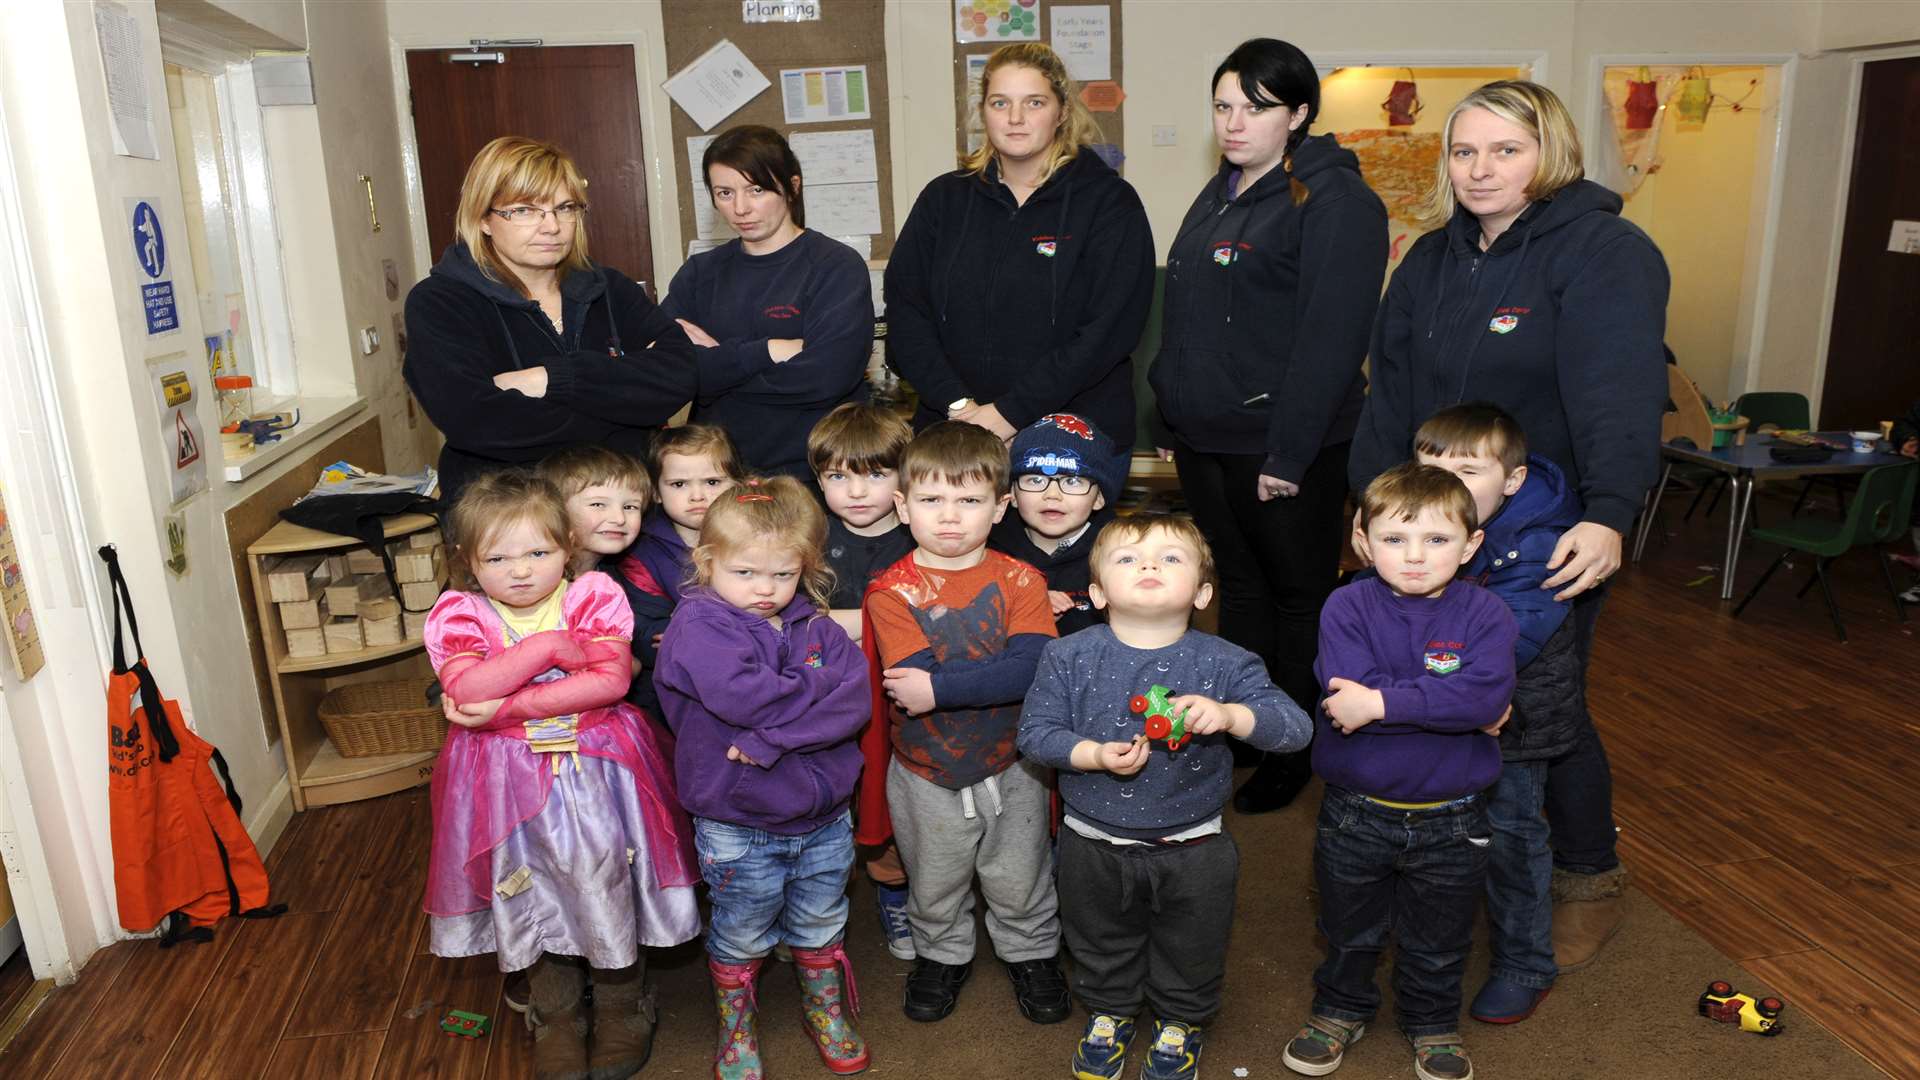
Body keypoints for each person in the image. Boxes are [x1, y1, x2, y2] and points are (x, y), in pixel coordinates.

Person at [1348, 80, 1669, 971]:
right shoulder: (1430, 260)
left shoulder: (1605, 250)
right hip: (1429, 526)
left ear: (1551, 153)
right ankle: (1462, 856)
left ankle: (1588, 878)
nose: (1480, 169)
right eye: (1464, 151)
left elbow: (1622, 396)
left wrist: (1608, 517)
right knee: (1431, 680)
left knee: (1540, 709)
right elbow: (1391, 394)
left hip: (1546, 530)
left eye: (1505, 150)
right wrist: (1371, 510)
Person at [1148, 38, 1388, 815]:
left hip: (1288, 447)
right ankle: (1250, 730)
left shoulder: (1336, 202)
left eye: (1255, 108)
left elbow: (1332, 336)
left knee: (1299, 595)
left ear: (1300, 114)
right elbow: (1185, 313)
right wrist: (1167, 404)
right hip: (1208, 437)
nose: (1234, 122)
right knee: (1242, 588)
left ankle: (1297, 746)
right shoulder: (1221, 191)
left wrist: (1289, 451)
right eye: (1223, 106)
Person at [422, 471, 698, 1080]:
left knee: (604, 875)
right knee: (527, 883)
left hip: (598, 770)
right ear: (467, 560)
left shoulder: (593, 594)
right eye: (498, 557)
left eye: (539, 553)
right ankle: (556, 1013)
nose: (520, 571)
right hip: (501, 783)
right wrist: (548, 649)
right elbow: (464, 687)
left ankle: (625, 1005)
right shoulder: (457, 612)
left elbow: (610, 682)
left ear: (568, 547)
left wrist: (503, 707)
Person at [1018, 514, 1312, 1080]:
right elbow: (1035, 734)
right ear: (1099, 592)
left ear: (1203, 592)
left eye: (1170, 558)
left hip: (1194, 844)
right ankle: (1110, 1011)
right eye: (1128, 558)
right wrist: (1092, 755)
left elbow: (1295, 728)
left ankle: (1181, 1019)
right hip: (1091, 839)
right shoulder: (1068, 655)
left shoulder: (1227, 662)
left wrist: (1231, 715)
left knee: (1194, 941)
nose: (1149, 565)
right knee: (1097, 937)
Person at [1280, 464, 1515, 1080]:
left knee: (1441, 935)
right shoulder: (1345, 604)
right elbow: (1348, 690)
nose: (1415, 557)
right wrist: (1448, 705)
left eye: (1436, 540)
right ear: (1363, 540)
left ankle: (1433, 1020)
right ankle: (1339, 1008)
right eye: (1395, 539)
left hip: (1455, 815)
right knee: (1347, 925)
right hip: (1356, 809)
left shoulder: (1488, 615)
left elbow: (1484, 701)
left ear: (1471, 545)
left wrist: (1382, 704)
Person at [404, 135, 784, 505]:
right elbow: (476, 421)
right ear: (483, 219)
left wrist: (552, 379)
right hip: (510, 519)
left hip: (623, 511)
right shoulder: (440, 303)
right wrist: (624, 411)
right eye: (524, 210)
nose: (551, 226)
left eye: (565, 208)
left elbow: (679, 375)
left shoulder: (609, 289)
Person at [653, 475, 873, 1080]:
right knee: (744, 929)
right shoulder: (698, 626)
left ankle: (822, 1010)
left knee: (821, 920)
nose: (765, 590)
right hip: (737, 820)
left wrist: (773, 739)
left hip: (825, 818)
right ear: (707, 561)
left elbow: (854, 704)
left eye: (782, 573)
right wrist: (817, 688)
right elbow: (746, 697)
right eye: (745, 573)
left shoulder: (818, 627)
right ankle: (737, 1025)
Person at [861, 421, 1067, 1025]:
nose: (949, 517)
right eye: (931, 500)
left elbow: (1031, 669)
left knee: (1020, 871)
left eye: (970, 500)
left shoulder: (1023, 580)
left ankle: (1031, 951)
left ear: (1001, 506)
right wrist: (949, 685)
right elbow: (909, 683)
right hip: (926, 769)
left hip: (1016, 764)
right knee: (934, 875)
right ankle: (941, 954)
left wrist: (941, 688)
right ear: (903, 506)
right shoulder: (891, 590)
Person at [885, 42, 1154, 461]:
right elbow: (906, 310)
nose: (1014, 118)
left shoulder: (1108, 202)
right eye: (1000, 102)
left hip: (1072, 436)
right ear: (983, 110)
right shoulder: (944, 199)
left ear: (1062, 111)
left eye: (1034, 102)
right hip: (955, 432)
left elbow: (1107, 331)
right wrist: (959, 407)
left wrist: (1010, 414)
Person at [1412, 405, 1583, 1024]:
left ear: (1510, 480)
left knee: (1509, 834)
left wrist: (1413, 687)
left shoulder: (1542, 544)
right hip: (1436, 698)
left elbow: (1505, 644)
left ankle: (1526, 963)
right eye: (1431, 466)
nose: (1446, 482)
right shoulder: (1421, 519)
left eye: (1467, 469)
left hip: (1513, 714)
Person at [663, 125, 876, 480]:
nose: (741, 208)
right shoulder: (701, 273)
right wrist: (768, 351)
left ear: (792, 186)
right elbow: (666, 371)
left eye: (756, 190)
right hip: (719, 477)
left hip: (815, 476)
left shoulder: (835, 267)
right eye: (725, 193)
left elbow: (826, 377)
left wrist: (717, 369)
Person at [807, 403, 919, 961]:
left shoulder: (923, 534)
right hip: (825, 696)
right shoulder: (810, 537)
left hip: (901, 699)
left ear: (904, 476)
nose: (856, 491)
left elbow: (929, 615)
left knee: (893, 800)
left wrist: (845, 622)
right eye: (837, 476)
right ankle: (809, 909)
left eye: (875, 474)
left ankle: (896, 893)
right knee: (828, 799)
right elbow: (789, 616)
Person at [537, 446, 672, 716]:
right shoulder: (532, 580)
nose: (619, 518)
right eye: (599, 504)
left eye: (630, 506)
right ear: (555, 510)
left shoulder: (623, 575)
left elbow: (644, 631)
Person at [989, 413, 1125, 636]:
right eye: (1035, 480)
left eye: (1072, 481)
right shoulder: (986, 551)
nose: (1052, 495)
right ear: (1012, 492)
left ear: (1099, 497)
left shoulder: (1122, 554)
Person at [631, 424, 745, 606]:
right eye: (679, 484)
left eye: (712, 482)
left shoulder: (761, 537)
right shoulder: (643, 554)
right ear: (655, 492)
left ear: (738, 485)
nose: (697, 496)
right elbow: (645, 614)